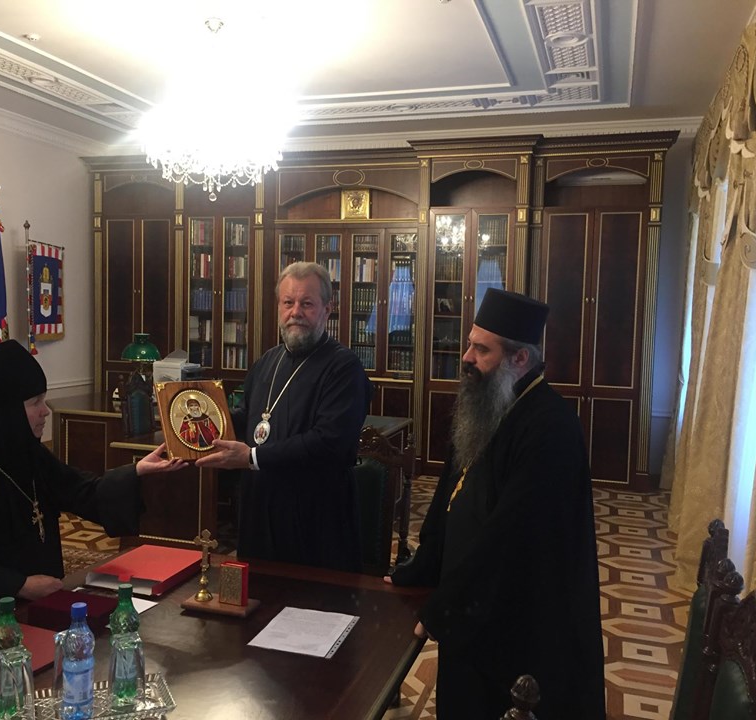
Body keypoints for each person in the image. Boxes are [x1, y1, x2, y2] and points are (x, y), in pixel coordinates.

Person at [387, 288, 605, 720]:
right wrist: (422, 570)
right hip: (472, 609)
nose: (466, 357)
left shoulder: (551, 427)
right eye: (469, 344)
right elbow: (448, 500)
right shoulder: (488, 403)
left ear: (519, 359)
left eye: (481, 349)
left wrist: (445, 606)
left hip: (518, 626)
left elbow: (513, 535)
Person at [0, 340, 186, 641]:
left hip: (40, 604)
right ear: (6, 411)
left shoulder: (30, 455)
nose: (45, 411)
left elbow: (80, 490)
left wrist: (136, 471)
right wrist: (20, 585)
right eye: (35, 402)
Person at [197, 261, 371, 572]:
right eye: (288, 302)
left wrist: (252, 456)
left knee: (307, 600)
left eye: (307, 304)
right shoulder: (267, 361)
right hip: (259, 511)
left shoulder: (344, 367)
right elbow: (249, 417)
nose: (295, 312)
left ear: (327, 309)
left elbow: (328, 442)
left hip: (315, 517)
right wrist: (200, 424)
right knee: (256, 595)